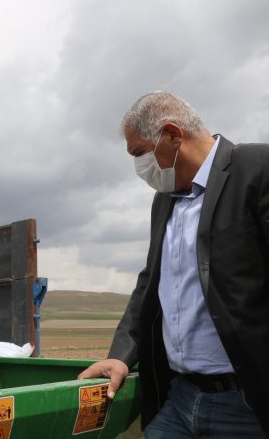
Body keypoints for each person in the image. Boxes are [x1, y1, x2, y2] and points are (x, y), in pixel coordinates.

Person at [78, 91, 269, 438]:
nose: (139, 167)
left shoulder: (257, 170)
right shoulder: (163, 202)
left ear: (173, 134)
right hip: (181, 397)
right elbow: (150, 283)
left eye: (139, 153)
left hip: (248, 404)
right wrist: (122, 355)